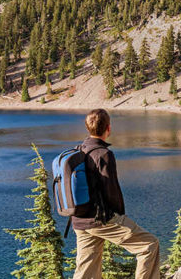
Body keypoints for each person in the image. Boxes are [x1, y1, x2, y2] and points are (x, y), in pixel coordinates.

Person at [73, 109, 160, 279]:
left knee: (86, 271)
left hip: (79, 219)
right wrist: (119, 215)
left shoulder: (79, 149)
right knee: (149, 245)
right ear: (108, 128)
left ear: (87, 128)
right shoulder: (104, 154)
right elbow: (111, 190)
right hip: (100, 220)